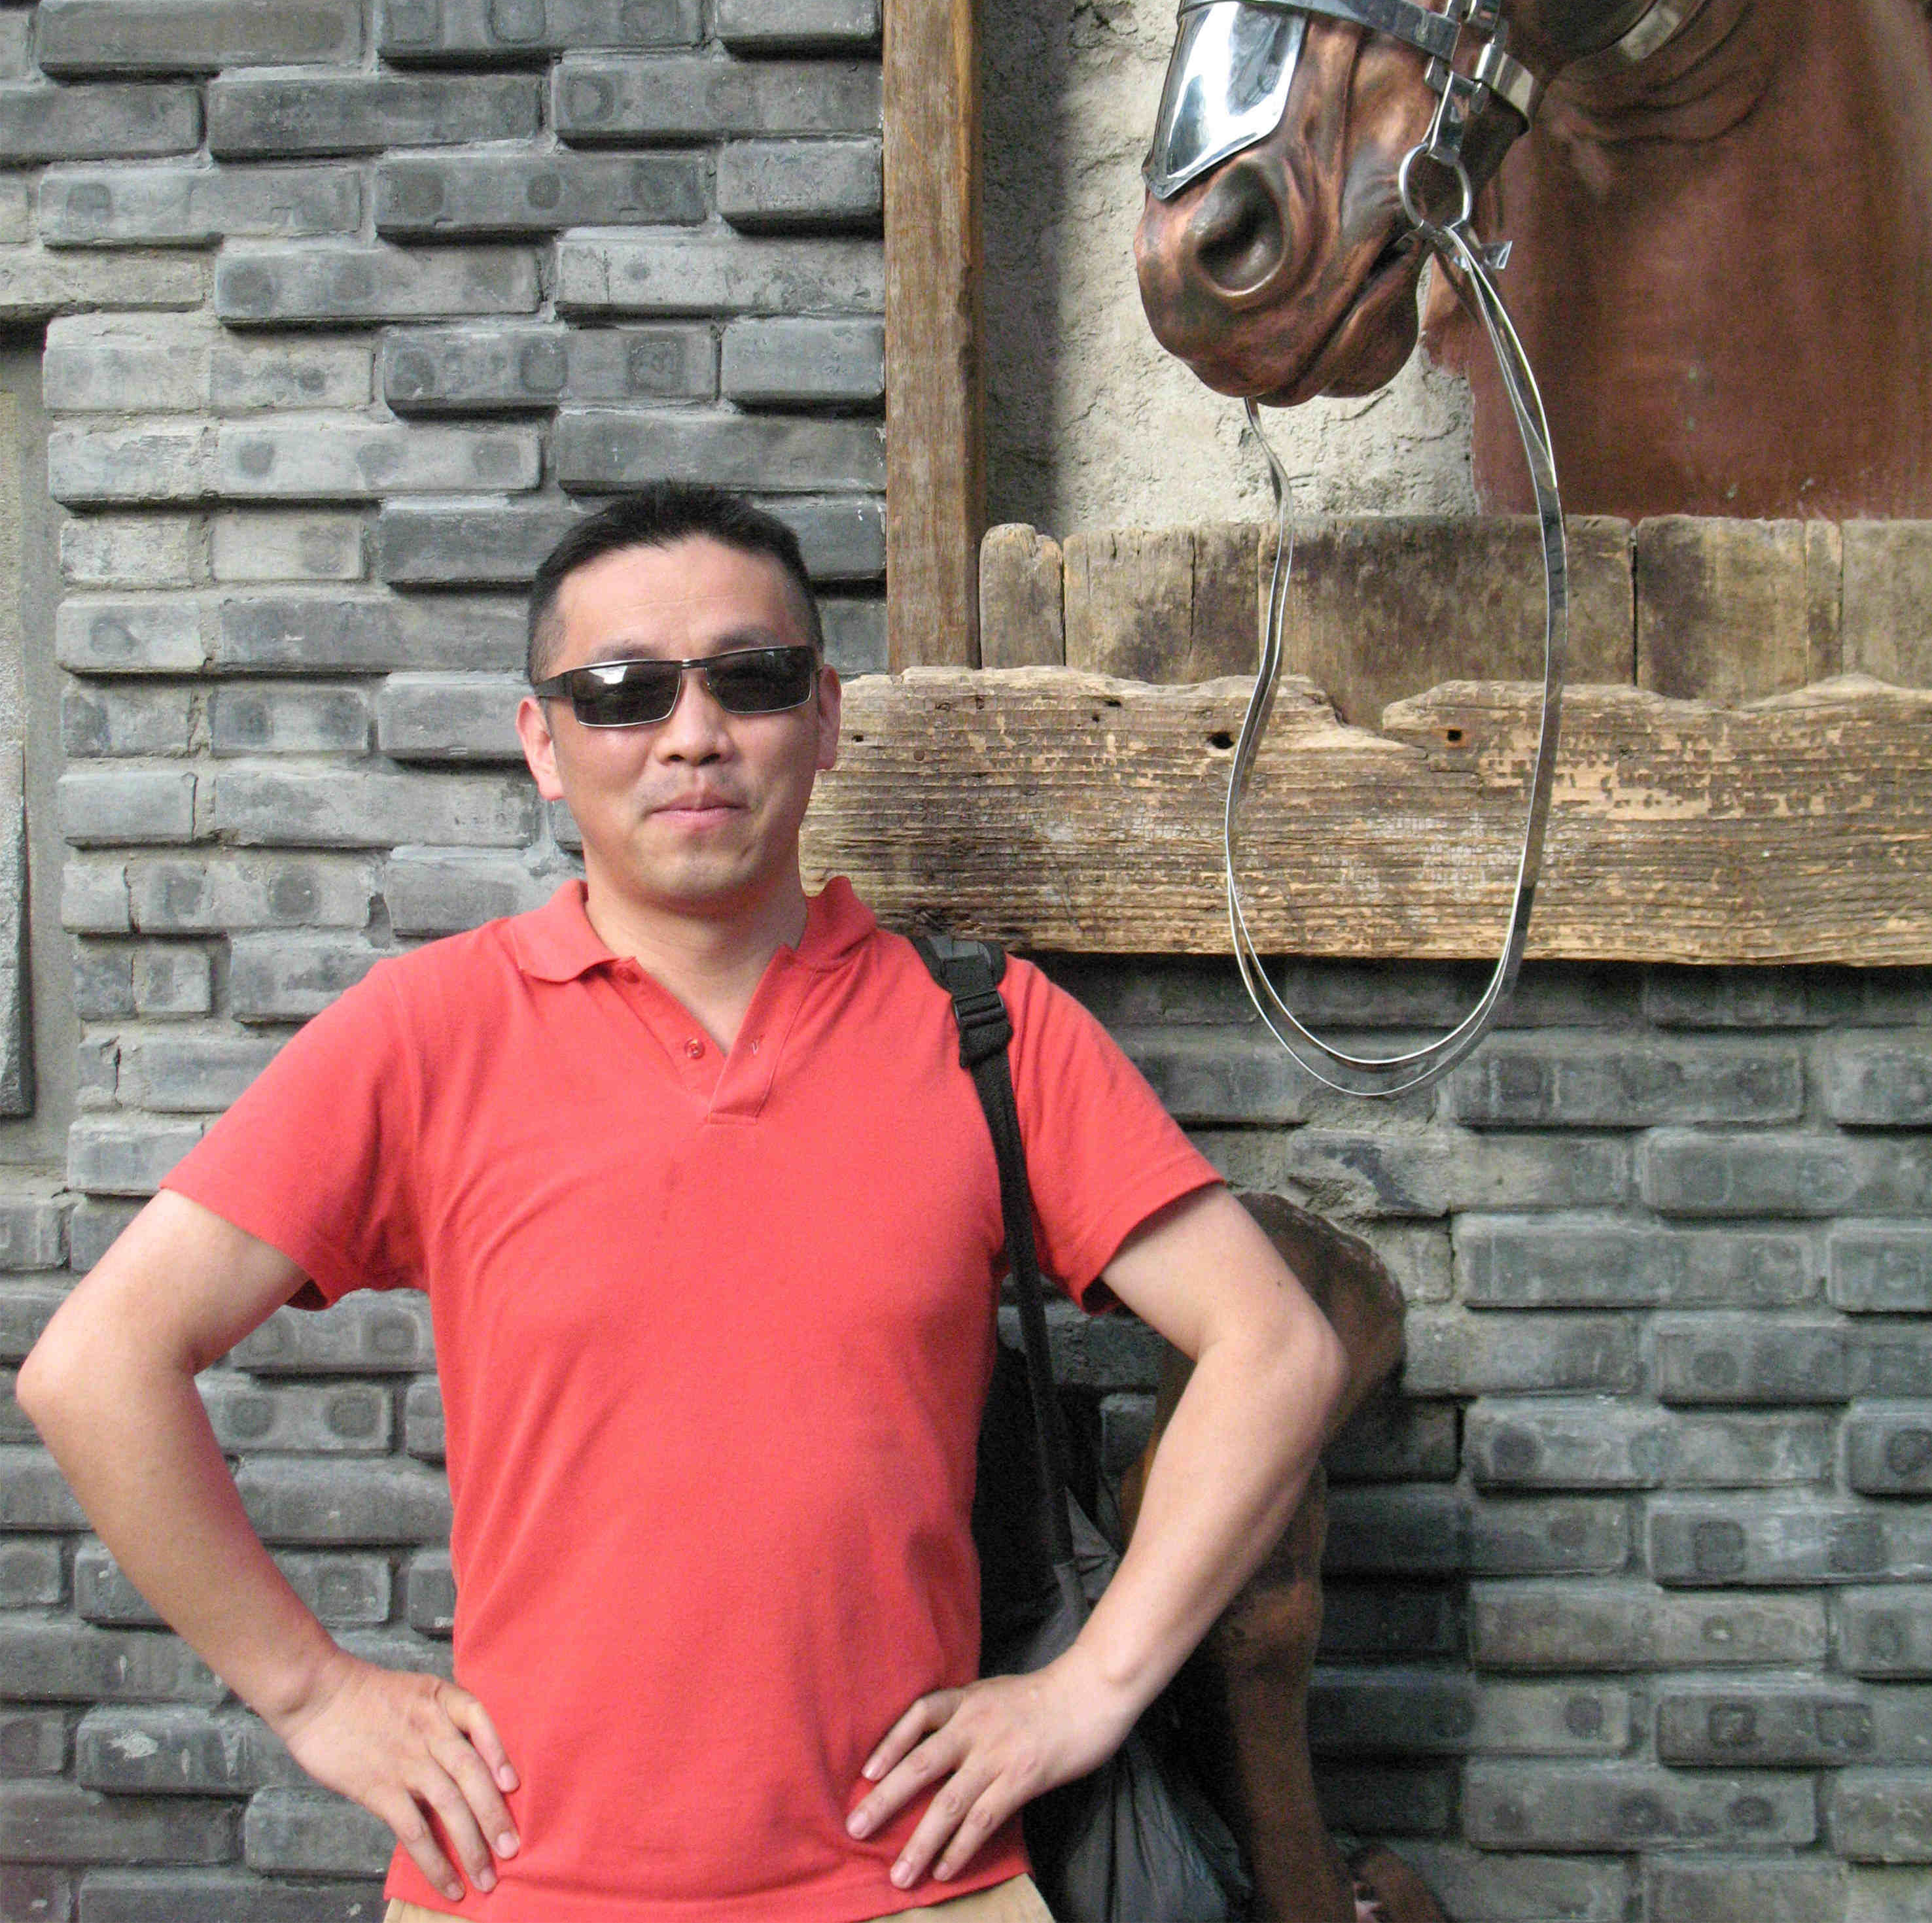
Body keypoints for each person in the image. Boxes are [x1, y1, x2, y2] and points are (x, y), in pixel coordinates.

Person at [21, 485, 1348, 1923]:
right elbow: (95, 1365)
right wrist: (309, 1691)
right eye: (622, 692)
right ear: (543, 743)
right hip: (520, 1890)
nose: (692, 734)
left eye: (750, 678)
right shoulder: (429, 1034)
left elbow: (1277, 1347)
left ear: (823, 717)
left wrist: (1093, 1687)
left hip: (921, 1885)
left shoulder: (984, 1028)